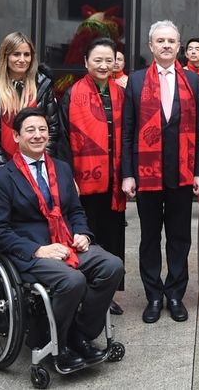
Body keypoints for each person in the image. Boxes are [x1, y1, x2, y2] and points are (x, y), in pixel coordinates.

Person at [0, 108, 123, 372]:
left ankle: (79, 333)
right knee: (72, 280)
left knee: (112, 266)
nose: (38, 136)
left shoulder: (60, 168)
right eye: (30, 130)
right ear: (16, 136)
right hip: (30, 250)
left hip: (67, 242)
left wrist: (83, 233)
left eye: (42, 130)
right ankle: (52, 339)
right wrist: (38, 250)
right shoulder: (2, 178)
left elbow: (75, 211)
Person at [121, 20, 199, 324]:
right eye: (161, 41)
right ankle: (154, 295)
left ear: (179, 46)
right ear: (151, 47)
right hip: (147, 172)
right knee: (149, 237)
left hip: (182, 173)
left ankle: (175, 294)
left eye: (172, 40)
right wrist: (128, 174)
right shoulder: (137, 80)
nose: (167, 45)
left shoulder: (192, 82)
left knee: (180, 237)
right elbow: (128, 131)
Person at [59, 38, 128, 315]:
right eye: (97, 60)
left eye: (108, 60)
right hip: (83, 180)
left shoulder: (121, 94)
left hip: (114, 179)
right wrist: (68, 177)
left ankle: (106, 294)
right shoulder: (72, 94)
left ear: (115, 62)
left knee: (112, 235)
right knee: (87, 235)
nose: (103, 65)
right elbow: (62, 139)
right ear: (86, 62)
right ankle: (83, 291)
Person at [0, 32, 61, 229]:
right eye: (16, 54)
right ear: (6, 56)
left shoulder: (42, 85)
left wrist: (36, 165)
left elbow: (52, 129)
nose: (21, 59)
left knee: (33, 232)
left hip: (36, 170)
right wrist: (6, 171)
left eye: (26, 55)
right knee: (0, 232)